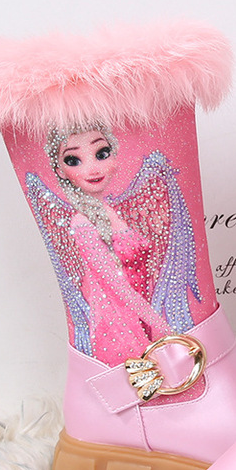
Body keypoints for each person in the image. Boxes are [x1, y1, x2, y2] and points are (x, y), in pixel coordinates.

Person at [45, 123, 166, 365]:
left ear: (114, 153)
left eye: (101, 154)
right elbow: (115, 283)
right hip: (118, 325)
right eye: (73, 160)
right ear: (60, 171)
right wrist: (159, 323)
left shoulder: (109, 212)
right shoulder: (82, 222)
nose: (92, 168)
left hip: (139, 314)